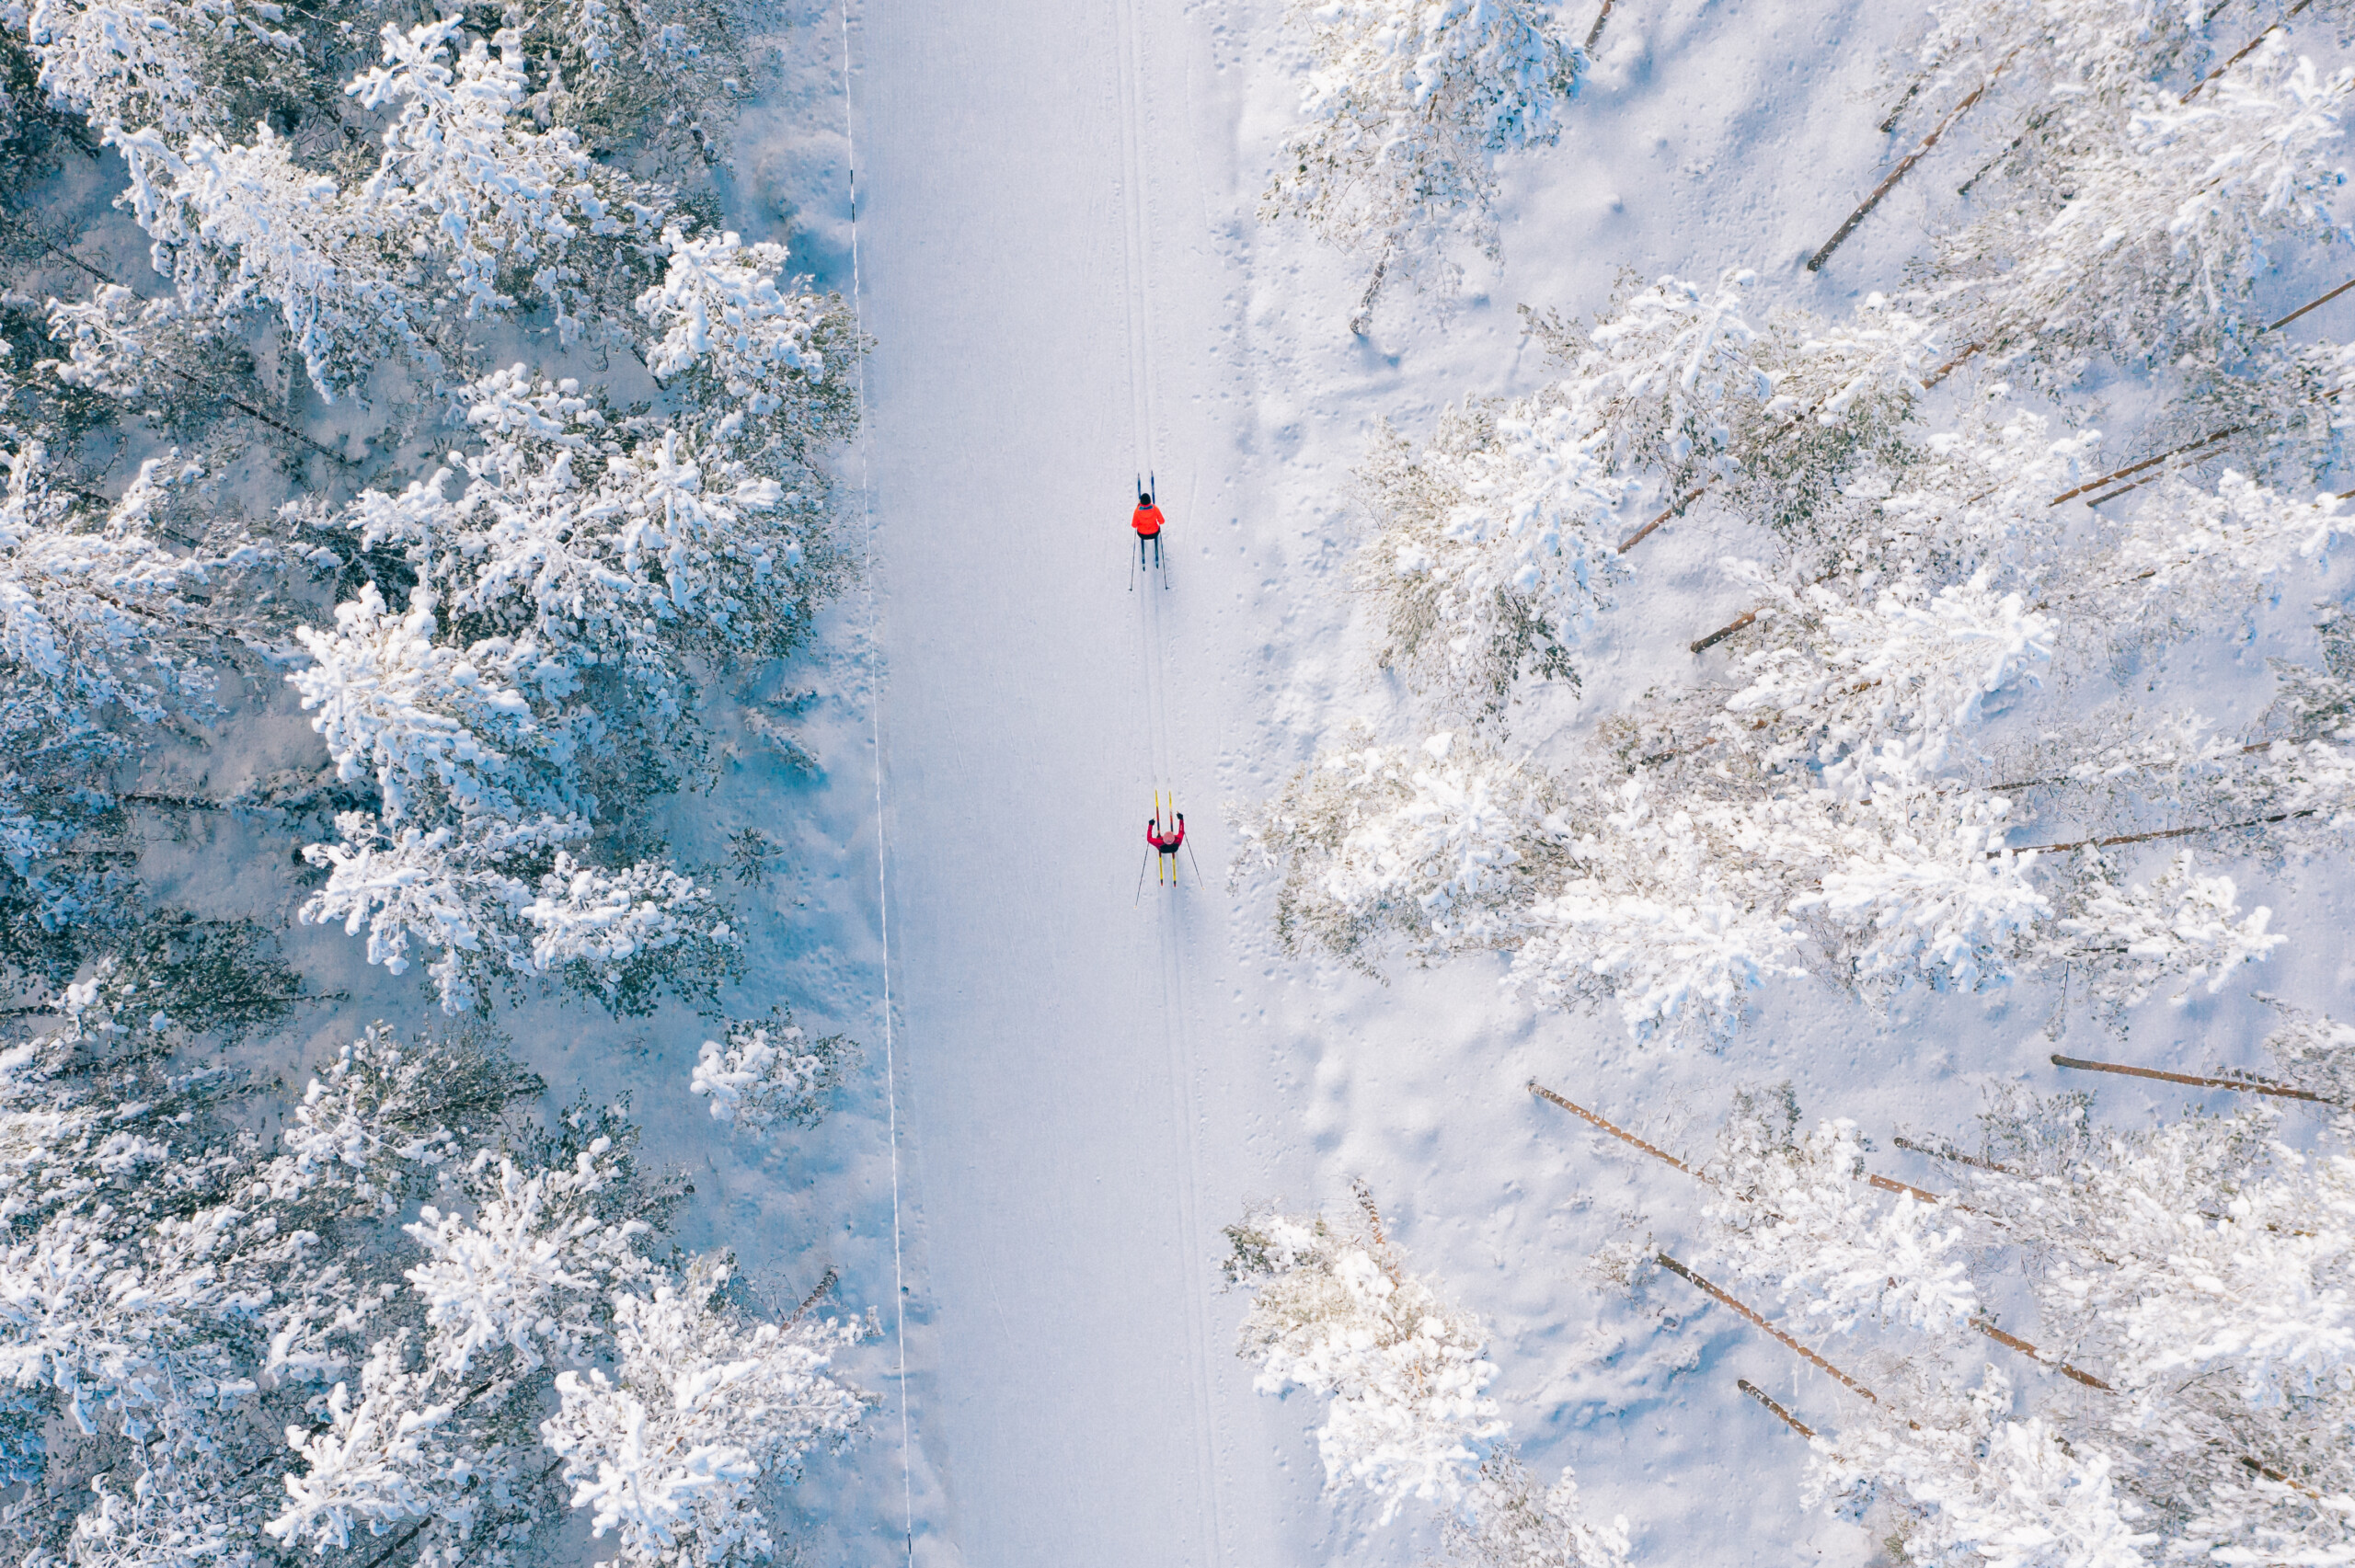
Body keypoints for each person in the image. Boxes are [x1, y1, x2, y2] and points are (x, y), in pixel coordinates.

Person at [1132, 489, 1166, 569]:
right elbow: (1162, 522)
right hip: (1154, 533)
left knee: (1141, 531)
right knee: (1155, 528)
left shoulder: (1137, 511)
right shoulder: (1155, 509)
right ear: (1150, 501)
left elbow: (1134, 525)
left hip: (1142, 534)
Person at [1147, 812, 1184, 885]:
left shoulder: (1158, 842)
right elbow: (1181, 831)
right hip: (1174, 848)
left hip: (1162, 849)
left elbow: (1149, 838)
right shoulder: (1178, 839)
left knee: (1158, 840)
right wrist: (1181, 819)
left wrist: (1150, 825)